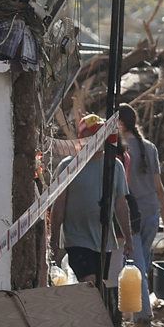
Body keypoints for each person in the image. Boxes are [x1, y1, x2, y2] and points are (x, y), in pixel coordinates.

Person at [48, 114, 132, 289]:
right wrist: (54, 240)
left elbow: (121, 205)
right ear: (82, 138)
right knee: (89, 283)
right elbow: (59, 207)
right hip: (76, 239)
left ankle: (96, 316)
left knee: (98, 287)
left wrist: (129, 239)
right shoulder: (68, 166)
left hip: (104, 241)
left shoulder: (114, 166)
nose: (98, 141)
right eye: (93, 136)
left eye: (101, 135)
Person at [117, 105, 164, 327]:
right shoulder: (149, 147)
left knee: (135, 265)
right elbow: (159, 188)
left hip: (133, 215)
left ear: (119, 124)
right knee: (142, 264)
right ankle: (137, 318)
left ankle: (142, 321)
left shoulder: (121, 149)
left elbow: (121, 188)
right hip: (151, 212)